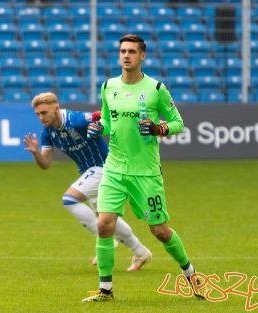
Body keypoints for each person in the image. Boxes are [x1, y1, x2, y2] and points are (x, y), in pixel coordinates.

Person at [82, 34, 208, 302]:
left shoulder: (156, 88)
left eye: (131, 51)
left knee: (160, 231)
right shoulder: (108, 86)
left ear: (142, 56)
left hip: (146, 172)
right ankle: (105, 290)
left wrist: (158, 128)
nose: (125, 55)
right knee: (104, 224)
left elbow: (178, 123)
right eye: (122, 51)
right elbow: (107, 119)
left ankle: (191, 274)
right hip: (114, 169)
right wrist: (98, 128)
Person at [24, 92, 152, 271]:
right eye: (38, 114)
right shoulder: (48, 133)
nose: (41, 117)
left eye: (44, 112)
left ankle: (104, 240)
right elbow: (45, 164)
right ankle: (141, 252)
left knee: (69, 199)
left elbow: (105, 117)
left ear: (56, 108)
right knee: (106, 218)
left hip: (105, 167)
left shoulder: (77, 120)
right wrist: (36, 153)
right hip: (89, 172)